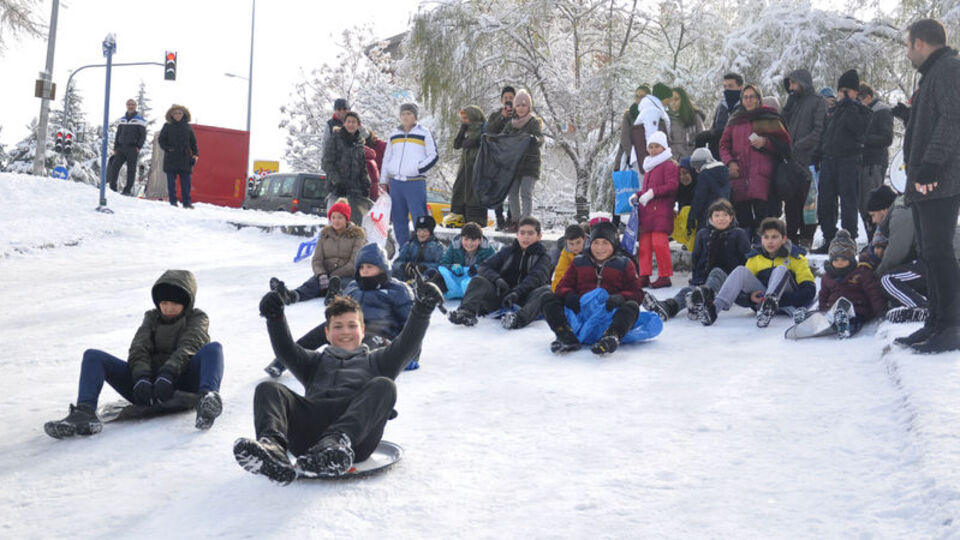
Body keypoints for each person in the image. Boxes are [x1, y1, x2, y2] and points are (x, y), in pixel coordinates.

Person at [235, 274, 444, 483]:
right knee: (269, 389)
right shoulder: (314, 362)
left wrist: (422, 309)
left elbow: (407, 345)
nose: (345, 332)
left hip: (355, 440)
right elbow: (286, 351)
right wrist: (275, 318)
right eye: (337, 326)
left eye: (352, 326)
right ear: (327, 332)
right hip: (309, 433)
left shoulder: (378, 361)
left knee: (384, 386)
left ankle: (335, 443)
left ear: (363, 331)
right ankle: (273, 450)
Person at [44, 270, 224, 438]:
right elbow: (139, 348)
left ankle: (207, 402)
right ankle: (85, 414)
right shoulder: (151, 318)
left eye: (175, 303)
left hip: (182, 383)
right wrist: (141, 378)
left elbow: (190, 346)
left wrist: (168, 373)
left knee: (213, 349)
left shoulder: (197, 318)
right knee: (93, 356)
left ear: (186, 303)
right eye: (164, 303)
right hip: (146, 388)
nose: (168, 308)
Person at [898, 18, 960, 352]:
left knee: (938, 253)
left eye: (908, 46)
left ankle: (951, 327)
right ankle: (934, 323)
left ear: (920, 43)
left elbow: (954, 119)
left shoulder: (949, 68)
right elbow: (937, 119)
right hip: (925, 178)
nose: (908, 53)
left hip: (940, 179)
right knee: (928, 252)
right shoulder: (935, 74)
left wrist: (932, 165)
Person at [263, 243, 414, 378]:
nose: (365, 271)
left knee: (364, 350)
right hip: (352, 324)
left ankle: (343, 373)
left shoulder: (397, 291)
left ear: (382, 267)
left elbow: (410, 325)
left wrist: (410, 354)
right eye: (362, 267)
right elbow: (340, 309)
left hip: (381, 335)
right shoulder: (354, 286)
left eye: (370, 267)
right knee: (318, 333)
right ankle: (281, 361)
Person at [542, 221, 646, 355]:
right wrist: (568, 295)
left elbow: (637, 293)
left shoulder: (625, 264)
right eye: (596, 243)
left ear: (613, 244)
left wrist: (621, 297)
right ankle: (565, 335)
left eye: (605, 243)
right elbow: (562, 286)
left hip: (607, 314)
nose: (599, 248)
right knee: (548, 298)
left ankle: (611, 336)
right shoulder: (579, 261)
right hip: (580, 312)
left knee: (631, 306)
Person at [690, 217, 815, 328]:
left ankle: (770, 304)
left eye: (774, 237)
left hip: (789, 304)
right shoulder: (755, 258)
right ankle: (713, 310)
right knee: (740, 271)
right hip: (762, 305)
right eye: (766, 237)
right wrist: (750, 299)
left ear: (784, 239)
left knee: (781, 269)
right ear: (761, 239)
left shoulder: (796, 257)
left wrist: (781, 300)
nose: (770, 241)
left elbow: (809, 291)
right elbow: (739, 295)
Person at [644, 199, 750, 322]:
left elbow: (746, 260)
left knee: (717, 272)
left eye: (725, 215)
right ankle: (668, 307)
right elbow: (697, 258)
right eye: (717, 215)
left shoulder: (738, 234)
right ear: (710, 218)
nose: (721, 219)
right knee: (687, 292)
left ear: (731, 218)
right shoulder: (703, 234)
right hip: (704, 279)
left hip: (728, 280)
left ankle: (702, 299)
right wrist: (696, 279)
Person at [447, 216, 554, 329]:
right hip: (503, 297)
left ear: (539, 236)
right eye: (522, 233)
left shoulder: (544, 257)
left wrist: (517, 293)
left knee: (547, 290)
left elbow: (535, 278)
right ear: (517, 235)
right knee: (479, 280)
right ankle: (466, 313)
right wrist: (497, 280)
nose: (525, 237)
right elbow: (484, 266)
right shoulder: (507, 252)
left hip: (527, 302)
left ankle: (517, 319)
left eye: (530, 233)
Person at [812, 69, 872, 252]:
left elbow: (858, 131)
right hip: (829, 160)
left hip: (849, 160)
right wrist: (817, 154)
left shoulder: (862, 111)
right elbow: (824, 135)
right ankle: (829, 237)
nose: (843, 94)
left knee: (848, 202)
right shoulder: (832, 111)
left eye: (848, 90)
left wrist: (850, 106)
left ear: (856, 92)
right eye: (841, 90)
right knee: (826, 202)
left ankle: (848, 239)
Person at [719, 85, 791, 234]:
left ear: (759, 99)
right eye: (745, 97)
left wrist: (766, 143)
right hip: (740, 175)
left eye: (752, 97)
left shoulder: (770, 118)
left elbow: (786, 146)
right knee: (742, 220)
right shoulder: (735, 120)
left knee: (764, 220)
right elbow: (724, 145)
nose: (749, 100)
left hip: (764, 177)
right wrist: (730, 162)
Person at [270, 198, 366, 306]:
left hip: (346, 276)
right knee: (312, 284)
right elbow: (317, 260)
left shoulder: (357, 237)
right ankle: (290, 295)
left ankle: (334, 297)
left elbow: (354, 264)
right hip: (326, 275)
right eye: (333, 217)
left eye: (340, 217)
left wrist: (334, 275)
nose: (336, 221)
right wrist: (321, 274)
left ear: (346, 219)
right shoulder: (325, 235)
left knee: (344, 286)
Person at [780, 69, 826, 247]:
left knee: (809, 203)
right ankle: (791, 237)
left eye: (793, 83)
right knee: (791, 203)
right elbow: (782, 123)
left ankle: (807, 238)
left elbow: (818, 130)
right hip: (792, 162)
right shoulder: (793, 102)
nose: (791, 87)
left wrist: (799, 145)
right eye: (789, 84)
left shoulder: (818, 102)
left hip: (809, 161)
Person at [811, 229, 886, 337]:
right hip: (834, 310)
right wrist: (823, 311)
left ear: (851, 259)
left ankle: (846, 327)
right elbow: (823, 295)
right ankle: (811, 321)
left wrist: (880, 311)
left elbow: (873, 292)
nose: (839, 262)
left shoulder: (860, 272)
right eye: (836, 260)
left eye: (843, 259)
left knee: (856, 319)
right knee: (828, 317)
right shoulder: (827, 276)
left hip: (857, 309)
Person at [382, 103, 438, 247]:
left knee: (419, 218)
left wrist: (418, 169)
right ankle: (404, 249)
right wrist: (383, 180)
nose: (406, 117)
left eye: (409, 114)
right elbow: (387, 158)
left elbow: (433, 155)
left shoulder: (424, 132)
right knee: (399, 219)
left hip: (415, 182)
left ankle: (422, 250)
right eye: (403, 114)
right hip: (396, 183)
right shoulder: (394, 134)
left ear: (415, 116)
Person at [630, 131, 678, 289]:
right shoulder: (649, 165)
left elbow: (672, 186)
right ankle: (644, 275)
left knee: (660, 244)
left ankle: (665, 276)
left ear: (664, 147)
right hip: (647, 212)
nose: (653, 149)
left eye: (657, 146)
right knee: (644, 246)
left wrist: (652, 193)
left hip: (661, 211)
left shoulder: (669, 165)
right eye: (650, 146)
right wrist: (637, 195)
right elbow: (646, 189)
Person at [498, 89, 544, 225]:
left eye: (524, 105)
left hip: (530, 164)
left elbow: (540, 139)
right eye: (518, 105)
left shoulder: (533, 122)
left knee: (526, 192)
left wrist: (533, 139)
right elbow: (502, 138)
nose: (521, 108)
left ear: (529, 107)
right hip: (514, 164)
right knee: (512, 193)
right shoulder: (511, 124)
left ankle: (526, 221)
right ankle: (515, 220)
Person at [858, 83, 894, 242]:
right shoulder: (861, 111)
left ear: (867, 97)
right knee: (862, 205)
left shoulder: (882, 111)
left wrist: (863, 140)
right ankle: (872, 239)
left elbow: (887, 138)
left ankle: (878, 240)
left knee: (872, 204)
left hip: (874, 164)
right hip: (861, 163)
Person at [323, 111, 371, 224]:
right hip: (337, 190)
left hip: (355, 191)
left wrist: (366, 185)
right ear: (344, 123)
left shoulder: (359, 143)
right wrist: (337, 182)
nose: (351, 124)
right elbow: (327, 163)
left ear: (358, 125)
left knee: (354, 225)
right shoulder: (335, 139)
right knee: (336, 224)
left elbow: (363, 167)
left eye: (354, 122)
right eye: (348, 121)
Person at [435, 222, 496, 299]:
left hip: (476, 282)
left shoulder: (488, 250)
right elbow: (443, 263)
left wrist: (478, 269)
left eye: (473, 240)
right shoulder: (454, 246)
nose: (469, 243)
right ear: (461, 238)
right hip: (457, 280)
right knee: (439, 275)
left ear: (480, 240)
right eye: (466, 239)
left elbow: (494, 267)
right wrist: (452, 266)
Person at [449, 105, 487, 226]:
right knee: (459, 188)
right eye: (463, 118)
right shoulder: (467, 129)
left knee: (473, 192)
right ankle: (458, 215)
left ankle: (475, 219)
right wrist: (462, 131)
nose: (464, 120)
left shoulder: (482, 129)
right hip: (465, 165)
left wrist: (473, 142)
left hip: (476, 164)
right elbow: (457, 145)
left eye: (466, 118)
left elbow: (483, 142)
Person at [158, 104, 198, 208]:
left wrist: (195, 154)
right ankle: (173, 202)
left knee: (186, 183)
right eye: (175, 113)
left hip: (185, 158)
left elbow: (193, 142)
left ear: (184, 114)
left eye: (180, 113)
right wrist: (167, 149)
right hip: (171, 158)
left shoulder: (188, 127)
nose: (177, 115)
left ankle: (187, 203)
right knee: (171, 183)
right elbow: (161, 140)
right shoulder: (167, 126)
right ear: (171, 114)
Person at [488, 85, 516, 229]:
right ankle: (499, 219)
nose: (508, 101)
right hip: (498, 159)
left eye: (511, 98)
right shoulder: (495, 115)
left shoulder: (520, 115)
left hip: (513, 160)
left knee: (513, 190)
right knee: (498, 190)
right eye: (505, 98)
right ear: (501, 100)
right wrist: (502, 117)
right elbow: (489, 131)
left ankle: (512, 219)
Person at [686, 147, 731, 235]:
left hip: (707, 216)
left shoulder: (704, 175)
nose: (696, 170)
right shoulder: (725, 172)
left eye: (696, 166)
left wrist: (692, 216)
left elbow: (699, 198)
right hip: (724, 214)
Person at [107, 98, 147, 195]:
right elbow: (118, 133)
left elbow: (143, 135)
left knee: (131, 170)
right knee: (114, 167)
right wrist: (116, 147)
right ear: (126, 106)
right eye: (129, 104)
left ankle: (127, 190)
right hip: (121, 148)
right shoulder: (122, 120)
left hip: (132, 148)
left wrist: (138, 146)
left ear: (135, 106)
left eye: (132, 104)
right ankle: (112, 187)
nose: (131, 106)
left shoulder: (140, 120)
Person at [629, 83, 672, 168]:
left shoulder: (652, 108)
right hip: (645, 158)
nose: (669, 102)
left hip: (646, 157)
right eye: (669, 99)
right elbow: (651, 137)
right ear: (664, 98)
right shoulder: (652, 110)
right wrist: (655, 159)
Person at [391, 214, 444, 282]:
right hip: (408, 279)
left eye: (425, 231)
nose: (421, 234)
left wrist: (423, 267)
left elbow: (442, 265)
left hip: (427, 280)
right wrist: (405, 266)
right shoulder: (409, 244)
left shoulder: (438, 247)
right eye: (419, 231)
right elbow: (396, 263)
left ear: (430, 232)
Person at [706, 73, 744, 161]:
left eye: (730, 86)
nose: (727, 90)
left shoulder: (745, 107)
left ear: (741, 88)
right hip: (718, 154)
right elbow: (714, 127)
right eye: (725, 86)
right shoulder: (721, 107)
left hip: (737, 156)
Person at [615, 85, 650, 170]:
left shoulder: (652, 113)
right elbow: (624, 137)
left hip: (648, 153)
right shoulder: (629, 114)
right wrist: (630, 155)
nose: (639, 99)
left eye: (642, 97)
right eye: (637, 96)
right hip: (631, 154)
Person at [668, 87, 705, 160]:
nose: (673, 103)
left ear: (683, 100)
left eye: (676, 99)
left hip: (693, 158)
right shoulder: (667, 119)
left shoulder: (695, 117)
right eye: (670, 99)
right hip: (675, 160)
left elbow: (702, 138)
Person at [671, 157, 698, 252]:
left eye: (686, 173)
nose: (683, 177)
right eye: (680, 174)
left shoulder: (699, 186)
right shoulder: (680, 187)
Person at [552, 224, 587, 290]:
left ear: (584, 239)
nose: (575, 247)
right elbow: (560, 276)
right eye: (571, 244)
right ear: (566, 242)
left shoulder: (593, 250)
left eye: (578, 242)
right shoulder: (566, 253)